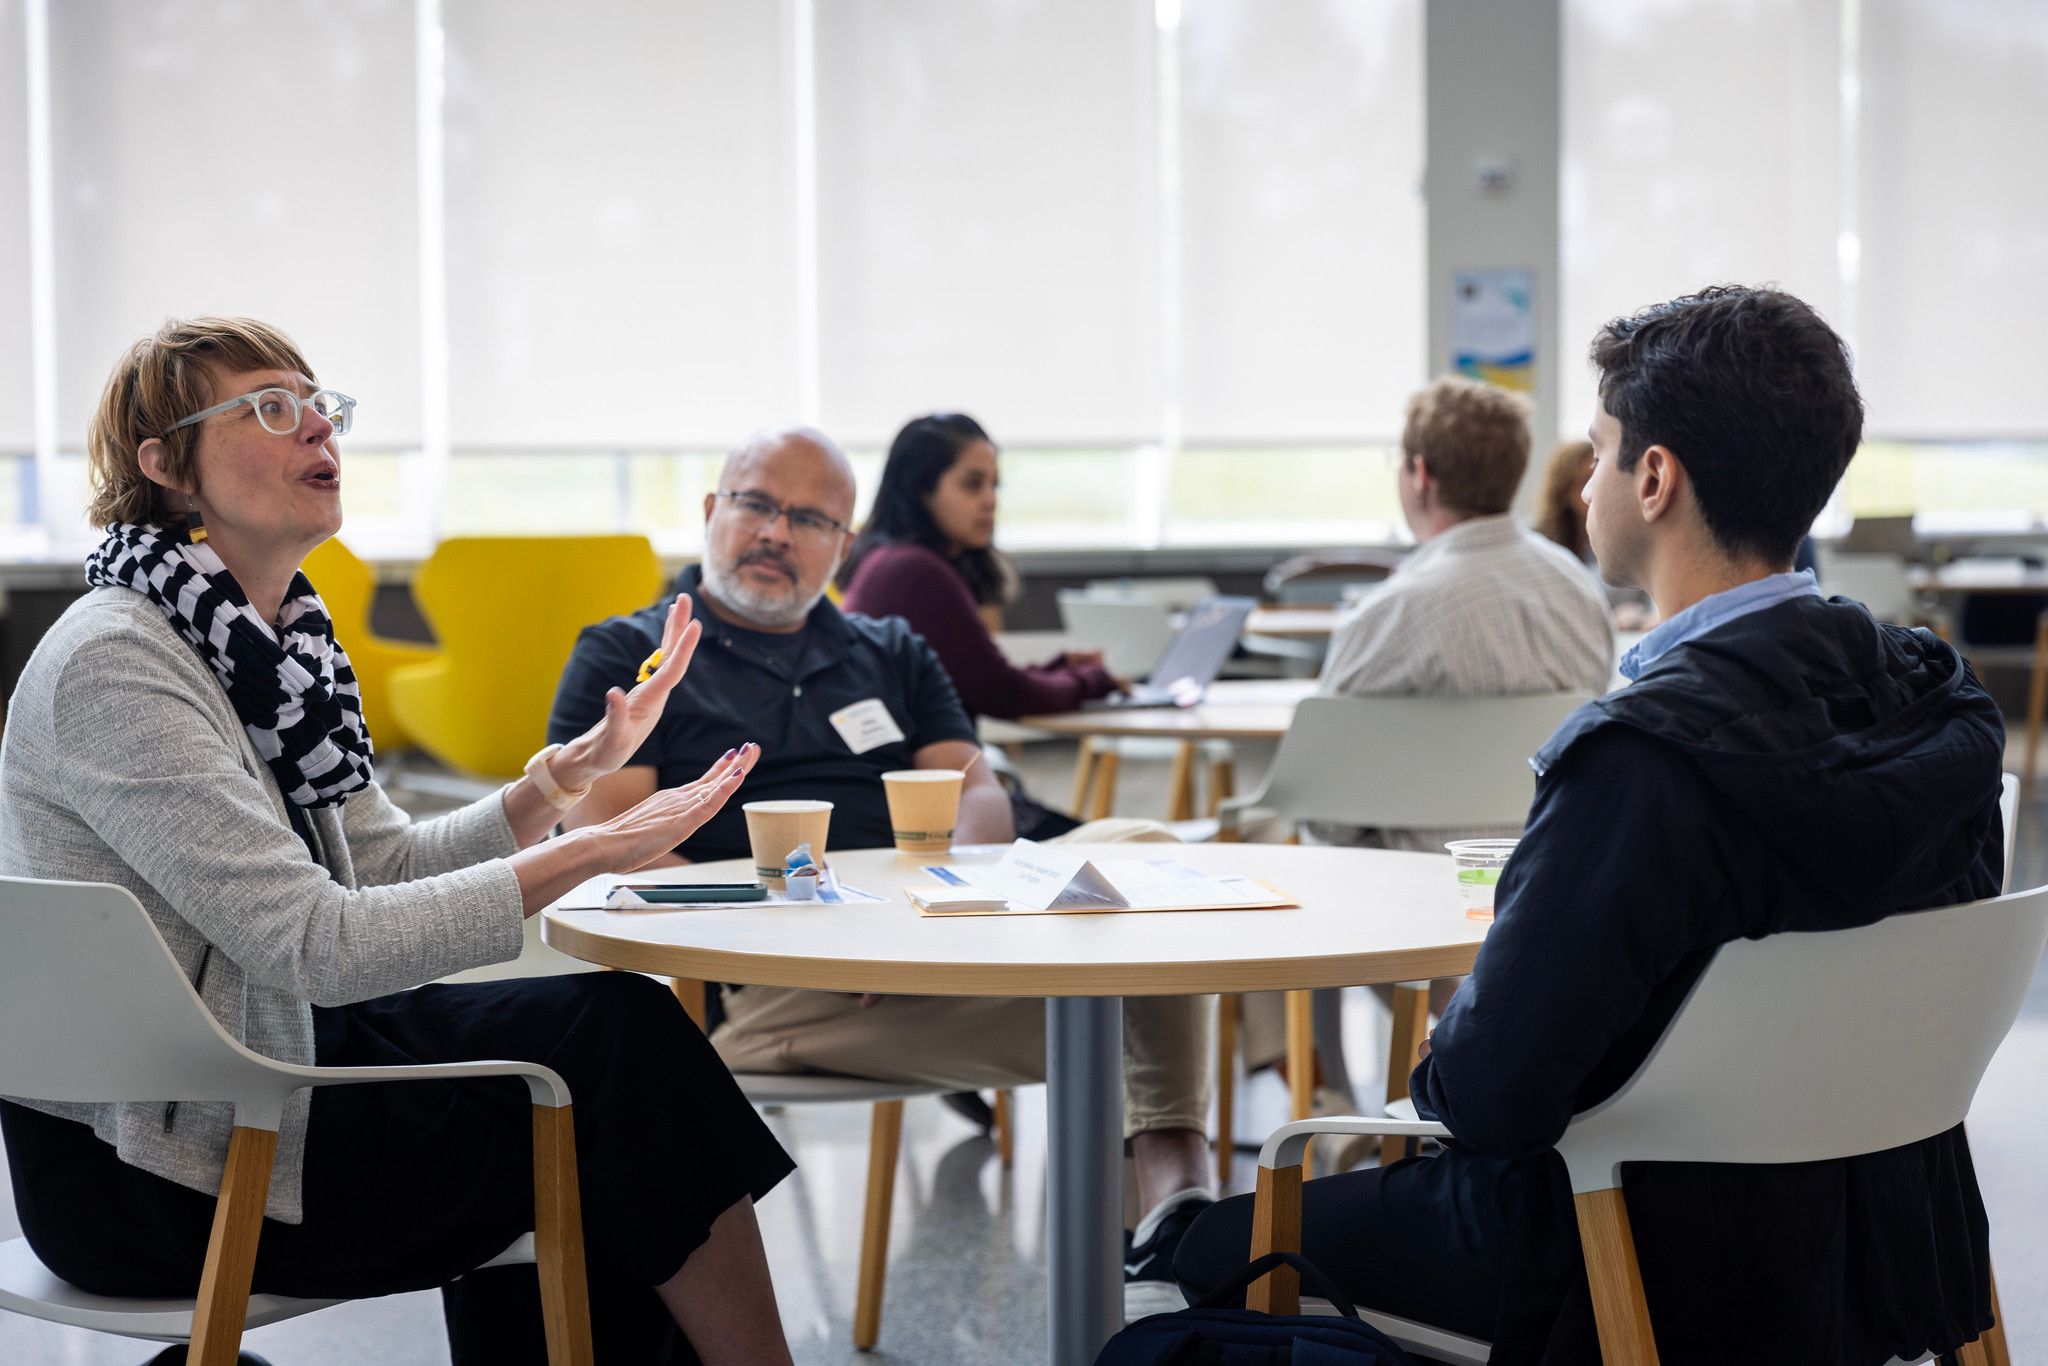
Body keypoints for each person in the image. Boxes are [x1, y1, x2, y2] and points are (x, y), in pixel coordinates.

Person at [1175, 286, 2005, 1365]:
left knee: (1200, 1253)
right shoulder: (1939, 702)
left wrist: (1455, 1034)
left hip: (1635, 1248)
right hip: (1895, 1236)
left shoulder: (1641, 760)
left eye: (1599, 448)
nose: (1582, 481)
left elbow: (1489, 1097)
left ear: (1652, 479)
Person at [0, 317, 797, 1366]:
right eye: (268, 409)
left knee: (614, 1037)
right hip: (160, 1163)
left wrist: (552, 789)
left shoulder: (268, 642)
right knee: (609, 1087)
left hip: (258, 1069)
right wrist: (587, 852)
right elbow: (318, 947)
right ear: (166, 468)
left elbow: (374, 864)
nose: (315, 428)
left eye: (318, 403)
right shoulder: (119, 664)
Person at [548, 425, 1217, 1315]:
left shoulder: (889, 648)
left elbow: (975, 786)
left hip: (939, 943)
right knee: (1147, 992)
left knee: (1148, 856)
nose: (777, 533)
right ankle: (1175, 1235)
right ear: (712, 512)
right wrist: (821, 930)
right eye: (756, 504)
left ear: (844, 544)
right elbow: (611, 838)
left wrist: (931, 898)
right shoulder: (627, 655)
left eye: (810, 517)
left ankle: (1175, 1215)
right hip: (779, 991)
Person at [1238, 379, 1615, 1115]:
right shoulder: (1579, 592)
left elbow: (1329, 804)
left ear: (1419, 474)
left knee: (1268, 839)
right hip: (1551, 881)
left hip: (1412, 898)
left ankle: (1321, 1092)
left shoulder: (1392, 612)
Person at [837, 412, 1121, 837]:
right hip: (927, 810)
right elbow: (1003, 694)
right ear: (921, 489)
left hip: (919, 795)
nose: (989, 500)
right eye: (972, 484)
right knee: (1123, 846)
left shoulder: (886, 559)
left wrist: (1060, 669)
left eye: (994, 484)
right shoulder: (918, 571)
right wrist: (1092, 680)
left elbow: (975, 676)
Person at [1531, 439, 1594, 560]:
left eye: (1599, 481)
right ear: (1563, 490)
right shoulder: (1537, 541)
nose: (1592, 492)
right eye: (1585, 482)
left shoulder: (1613, 542)